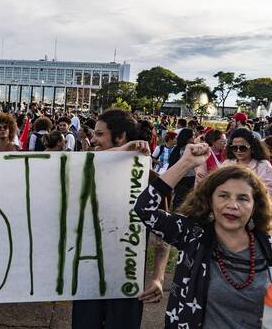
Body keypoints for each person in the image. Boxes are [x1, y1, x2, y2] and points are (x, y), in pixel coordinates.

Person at [135, 143, 272, 328]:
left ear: (255, 206)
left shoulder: (267, 247)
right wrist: (187, 162)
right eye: (223, 196)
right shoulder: (193, 236)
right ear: (209, 200)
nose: (233, 205)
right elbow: (145, 209)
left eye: (243, 198)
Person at [72, 109, 170, 329]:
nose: (93, 140)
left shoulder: (150, 180)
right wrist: (123, 151)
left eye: (99, 134)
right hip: (87, 276)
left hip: (127, 279)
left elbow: (162, 237)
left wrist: (158, 277)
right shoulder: (87, 170)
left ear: (120, 136)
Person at [221, 127, 272, 195]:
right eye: (234, 147)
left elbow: (268, 191)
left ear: (253, 148)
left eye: (243, 147)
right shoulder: (227, 164)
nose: (238, 151)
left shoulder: (263, 165)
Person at [168, 128, 196, 209]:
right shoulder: (177, 150)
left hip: (191, 178)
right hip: (181, 179)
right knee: (179, 200)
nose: (193, 139)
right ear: (186, 138)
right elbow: (172, 165)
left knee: (189, 199)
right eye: (191, 137)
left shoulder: (193, 148)